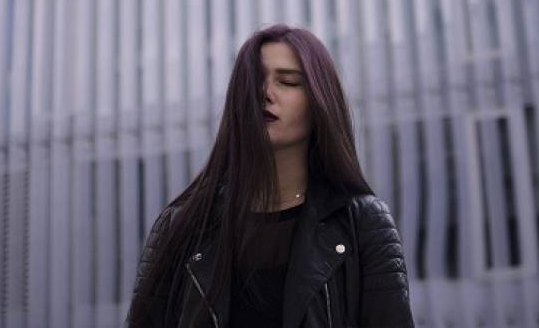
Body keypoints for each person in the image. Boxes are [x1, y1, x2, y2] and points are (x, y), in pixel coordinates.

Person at [127, 24, 414, 327]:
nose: (265, 93)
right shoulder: (181, 226)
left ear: (319, 101)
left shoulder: (363, 223)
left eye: (288, 81)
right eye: (253, 82)